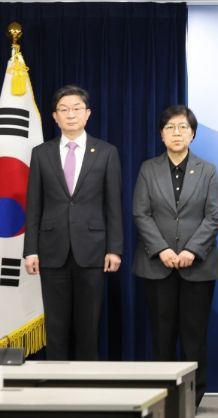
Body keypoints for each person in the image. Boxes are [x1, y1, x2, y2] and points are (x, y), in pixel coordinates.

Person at [23, 85, 123, 360]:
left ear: (87, 114)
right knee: (55, 326)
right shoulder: (41, 153)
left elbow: (113, 205)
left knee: (88, 326)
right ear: (54, 116)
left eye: (76, 109)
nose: (70, 115)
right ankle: (56, 382)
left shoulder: (106, 152)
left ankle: (87, 382)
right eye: (64, 110)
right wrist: (31, 250)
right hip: (51, 250)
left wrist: (114, 249)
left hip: (92, 250)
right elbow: (34, 205)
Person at [132, 105, 218, 408]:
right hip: (157, 265)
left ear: (192, 134)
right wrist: (163, 249)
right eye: (170, 127)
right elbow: (141, 213)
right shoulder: (148, 169)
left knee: (194, 334)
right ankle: (165, 395)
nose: (177, 133)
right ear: (161, 134)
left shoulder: (207, 170)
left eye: (183, 127)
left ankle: (192, 396)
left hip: (198, 266)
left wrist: (190, 250)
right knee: (162, 333)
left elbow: (214, 215)